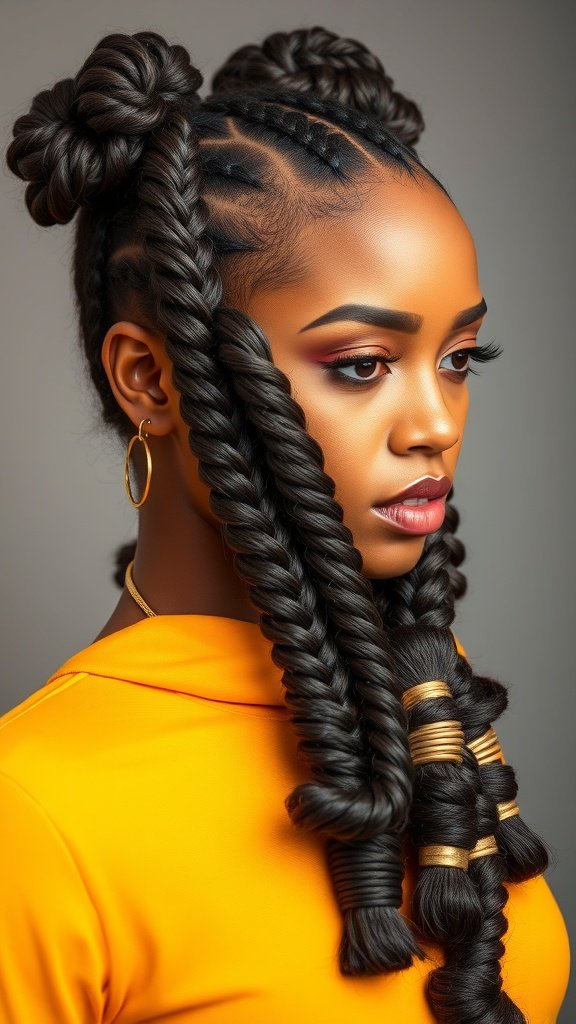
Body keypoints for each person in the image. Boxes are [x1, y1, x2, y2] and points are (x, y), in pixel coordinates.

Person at [0, 25, 569, 1024]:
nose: (437, 425)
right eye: (361, 363)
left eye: (459, 357)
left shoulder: (422, 702)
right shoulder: (30, 817)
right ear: (149, 378)